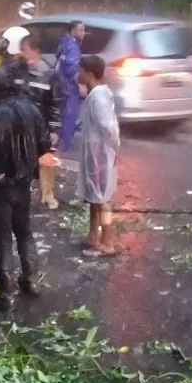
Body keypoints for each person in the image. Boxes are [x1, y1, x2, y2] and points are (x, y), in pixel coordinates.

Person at [0, 67, 51, 311]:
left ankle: (6, 295)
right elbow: (45, 141)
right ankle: (31, 280)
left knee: (3, 239)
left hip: (2, 188)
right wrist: (31, 166)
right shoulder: (30, 110)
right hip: (23, 183)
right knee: (25, 231)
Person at [75, 55, 122, 257]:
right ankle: (93, 236)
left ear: (89, 73)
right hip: (95, 153)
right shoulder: (94, 95)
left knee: (102, 199)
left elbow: (108, 126)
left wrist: (115, 147)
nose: (78, 74)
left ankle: (108, 242)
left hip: (99, 156)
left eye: (81, 70)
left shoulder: (98, 98)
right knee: (94, 198)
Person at [16, 34, 64, 209]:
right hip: (22, 126)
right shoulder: (20, 72)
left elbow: (56, 104)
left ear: (35, 51)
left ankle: (48, 194)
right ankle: (23, 194)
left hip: (42, 127)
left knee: (46, 160)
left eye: (24, 50)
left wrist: (54, 130)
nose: (21, 54)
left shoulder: (50, 74)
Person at [56, 21, 87, 151]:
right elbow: (72, 68)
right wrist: (81, 85)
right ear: (73, 30)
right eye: (80, 30)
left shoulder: (64, 42)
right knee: (69, 117)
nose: (83, 33)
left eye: (84, 30)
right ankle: (65, 147)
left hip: (61, 86)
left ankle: (61, 143)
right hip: (69, 89)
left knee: (64, 116)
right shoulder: (73, 47)